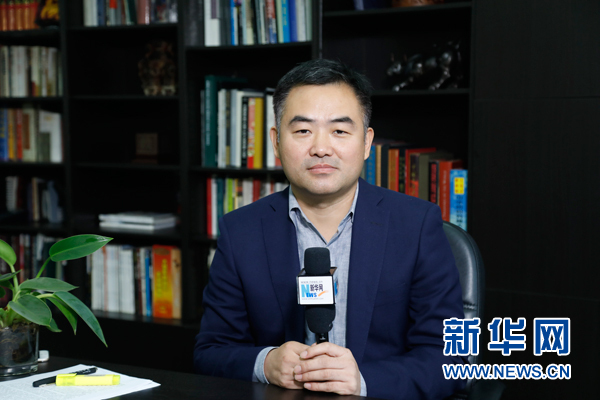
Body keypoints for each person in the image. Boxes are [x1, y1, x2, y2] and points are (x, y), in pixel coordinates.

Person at [194, 59, 465, 400]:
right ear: (276, 141)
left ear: (366, 142)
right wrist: (266, 363)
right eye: (303, 131)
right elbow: (211, 352)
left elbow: (450, 357)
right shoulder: (241, 231)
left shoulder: (417, 225)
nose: (321, 148)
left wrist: (362, 381)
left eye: (339, 131)